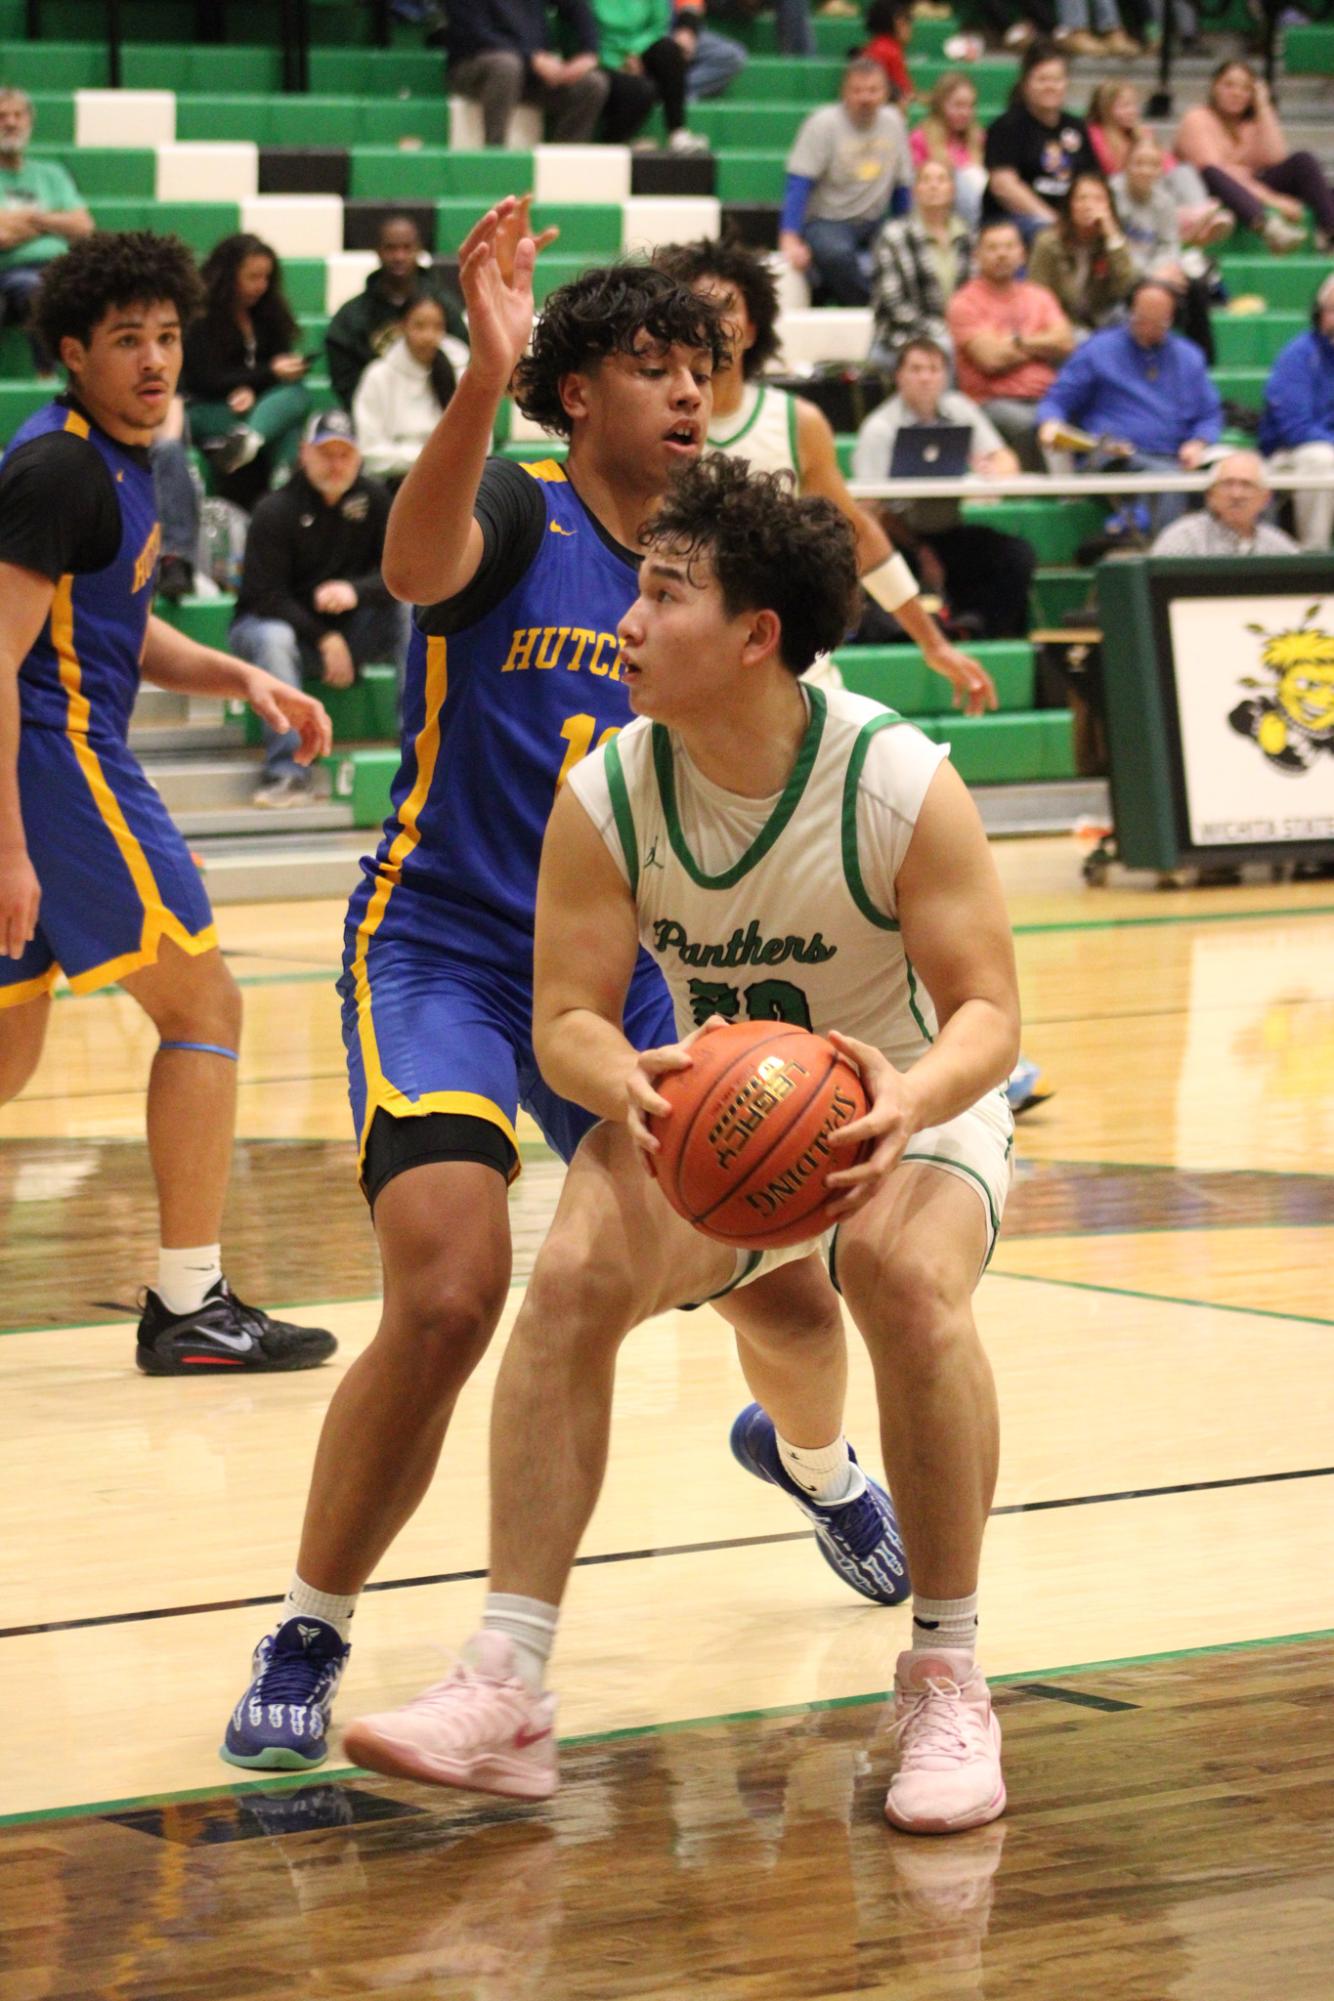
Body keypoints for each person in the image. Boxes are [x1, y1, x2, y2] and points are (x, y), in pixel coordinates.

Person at [341, 453, 1020, 1841]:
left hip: (909, 1096)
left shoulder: (892, 777)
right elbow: (567, 1018)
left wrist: (907, 1095)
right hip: (716, 1106)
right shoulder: (608, 791)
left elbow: (991, 1016)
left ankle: (946, 1670)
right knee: (575, 1271)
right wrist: (628, 1082)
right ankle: (508, 1684)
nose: (624, 627)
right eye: (633, 593)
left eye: (662, 597)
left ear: (757, 635)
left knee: (896, 1281)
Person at [216, 200, 744, 1773]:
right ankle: (312, 1623)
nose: (689, 392)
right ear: (576, 392)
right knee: (450, 1297)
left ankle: (818, 1456)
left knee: (782, 1265)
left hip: (619, 970)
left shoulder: (706, 558)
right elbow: (408, 556)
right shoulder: (514, 506)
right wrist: (476, 376)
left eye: (701, 366)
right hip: (443, 944)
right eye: (653, 367)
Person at [0, 230, 335, 1373]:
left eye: (168, 336)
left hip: (47, 760)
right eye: (127, 340)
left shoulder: (114, 459)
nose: (153, 359)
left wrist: (239, 671)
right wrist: (11, 850)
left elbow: (104, 629)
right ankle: (193, 1301)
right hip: (54, 765)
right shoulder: (58, 470)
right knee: (206, 1006)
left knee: (5, 1054)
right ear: (71, 351)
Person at [656, 233, 998, 710]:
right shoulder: (656, 421)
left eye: (727, 306)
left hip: (786, 657)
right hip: (686, 654)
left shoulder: (797, 423)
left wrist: (932, 641)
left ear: (753, 328)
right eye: (699, 307)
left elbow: (856, 532)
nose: (714, 321)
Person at [229, 411, 409, 808]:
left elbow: (400, 575)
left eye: (345, 454)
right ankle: (288, 773)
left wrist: (355, 591)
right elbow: (265, 596)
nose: (336, 464)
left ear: (359, 458)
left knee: (413, 607)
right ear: (303, 453)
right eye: (326, 453)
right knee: (273, 636)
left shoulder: (376, 501)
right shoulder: (275, 510)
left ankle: (418, 751)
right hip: (275, 634)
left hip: (352, 631)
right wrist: (325, 639)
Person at [853, 338, 1034, 637]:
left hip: (949, 534)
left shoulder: (960, 408)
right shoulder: (879, 428)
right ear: (899, 376)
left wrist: (992, 468)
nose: (926, 377)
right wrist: (918, 548)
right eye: (916, 369)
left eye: (934, 369)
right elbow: (869, 509)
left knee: (1015, 556)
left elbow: (1007, 461)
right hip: (898, 538)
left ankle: (985, 635)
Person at [1037, 277, 1222, 531]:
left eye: (1158, 323)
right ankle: (1155, 553)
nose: (1147, 329)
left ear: (1173, 318)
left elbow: (1209, 414)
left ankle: (1127, 527)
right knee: (1167, 481)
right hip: (1113, 458)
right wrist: (1050, 423)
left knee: (1241, 477)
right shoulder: (1097, 350)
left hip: (1172, 458)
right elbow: (1057, 400)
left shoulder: (1189, 357)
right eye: (1141, 319)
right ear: (1129, 312)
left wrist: (1198, 442)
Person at [181, 232, 310, 510]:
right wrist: (267, 376)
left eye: (266, 277)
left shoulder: (268, 314)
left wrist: (253, 388)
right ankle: (282, 500)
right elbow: (205, 379)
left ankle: (249, 442)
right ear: (228, 275)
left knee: (296, 395)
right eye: (252, 277)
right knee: (289, 420)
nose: (260, 286)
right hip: (208, 409)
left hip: (253, 409)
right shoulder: (200, 317)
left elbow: (270, 371)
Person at [780, 57, 913, 306]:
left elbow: (902, 185)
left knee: (910, 250)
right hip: (827, 221)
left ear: (885, 93)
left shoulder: (894, 123)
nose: (866, 97)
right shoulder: (822, 124)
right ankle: (876, 308)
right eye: (857, 90)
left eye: (873, 90)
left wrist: (905, 229)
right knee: (836, 254)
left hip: (874, 221)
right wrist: (790, 237)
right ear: (844, 93)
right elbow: (799, 181)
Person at [947, 217, 1076, 469]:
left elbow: (1065, 342)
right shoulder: (964, 302)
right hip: (993, 400)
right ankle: (1046, 496)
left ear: (1022, 254)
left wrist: (1016, 342)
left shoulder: (1039, 296)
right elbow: (991, 359)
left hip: (1048, 395)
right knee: (1033, 424)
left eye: (1008, 247)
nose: (1001, 254)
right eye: (993, 248)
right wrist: (1041, 347)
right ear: (977, 255)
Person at [1174, 62, 1334, 257]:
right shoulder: (1197, 118)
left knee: (1303, 161)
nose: (1237, 93)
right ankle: (1270, 229)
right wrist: (1275, 201)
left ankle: (1331, 235)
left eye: (1245, 88)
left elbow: (1276, 158)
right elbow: (1216, 171)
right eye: (1229, 85)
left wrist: (1263, 105)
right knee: (1213, 173)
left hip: (1251, 186)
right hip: (1210, 189)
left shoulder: (1250, 123)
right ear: (1214, 87)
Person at [324, 215, 468, 411]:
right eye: (391, 248)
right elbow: (345, 382)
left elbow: (465, 362)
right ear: (378, 251)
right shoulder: (351, 317)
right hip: (376, 417)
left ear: (418, 250)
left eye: (407, 248)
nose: (399, 256)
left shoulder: (444, 307)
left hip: (437, 414)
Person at [0, 86, 93, 373]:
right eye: (2, 116)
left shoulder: (51, 174)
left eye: (18, 115)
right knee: (36, 289)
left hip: (62, 267)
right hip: (11, 272)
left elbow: (83, 226)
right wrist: (54, 222)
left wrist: (31, 219)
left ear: (29, 121)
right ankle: (46, 378)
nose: (11, 122)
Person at [443, 0, 609, 149]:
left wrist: (589, 51)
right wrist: (530, 58)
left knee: (593, 84)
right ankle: (494, 153)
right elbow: (474, 32)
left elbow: (576, 6)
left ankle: (563, 159)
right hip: (474, 64)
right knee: (506, 66)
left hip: (529, 69)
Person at [1111, 134, 1214, 361]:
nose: (1146, 170)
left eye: (1153, 164)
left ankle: (1203, 363)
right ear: (1126, 164)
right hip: (1121, 274)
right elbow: (1113, 247)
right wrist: (1152, 275)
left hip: (1156, 272)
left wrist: (1161, 272)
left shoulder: (1165, 201)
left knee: (1194, 288)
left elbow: (1170, 245)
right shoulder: (1112, 195)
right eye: (1139, 163)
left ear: (1161, 169)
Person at [1087, 79, 1226, 246]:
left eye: (1133, 105)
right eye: (1124, 106)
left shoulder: (1141, 132)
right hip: (1122, 190)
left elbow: (1165, 163)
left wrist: (1144, 142)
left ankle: (1200, 214)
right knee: (1145, 179)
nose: (1131, 111)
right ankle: (1189, 220)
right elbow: (1113, 169)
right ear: (1106, 109)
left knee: (1183, 171)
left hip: (1150, 185)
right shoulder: (1095, 134)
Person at [982, 43, 1098, 242]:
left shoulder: (1076, 127)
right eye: (1042, 79)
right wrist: (1053, 220)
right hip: (1019, 221)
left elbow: (1091, 180)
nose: (1050, 86)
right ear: (1026, 83)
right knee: (1045, 236)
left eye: (1057, 80)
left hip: (1069, 220)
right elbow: (1004, 186)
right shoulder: (1007, 126)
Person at [351, 296, 464, 488]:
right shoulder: (378, 376)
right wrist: (428, 458)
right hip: (391, 484)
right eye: (419, 326)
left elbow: (480, 445)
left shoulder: (461, 374)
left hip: (450, 484)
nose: (429, 336)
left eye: (437, 327)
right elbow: (370, 452)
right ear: (402, 327)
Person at [1258, 273, 1334, 552]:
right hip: (1289, 455)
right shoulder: (1299, 355)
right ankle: (1316, 553)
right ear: (1319, 314)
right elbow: (1296, 429)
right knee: (1321, 459)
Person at [870, 158, 972, 363]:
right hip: (901, 336)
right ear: (915, 191)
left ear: (953, 190)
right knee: (944, 348)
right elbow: (893, 302)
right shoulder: (893, 235)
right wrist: (940, 331)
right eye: (926, 180)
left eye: (941, 180)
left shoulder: (968, 236)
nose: (934, 186)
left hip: (958, 332)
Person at [1026, 172, 1137, 335]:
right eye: (1081, 199)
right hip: (1061, 322)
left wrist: (1112, 235)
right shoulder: (1048, 243)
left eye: (1097, 199)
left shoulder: (1112, 242)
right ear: (1070, 205)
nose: (1088, 205)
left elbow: (1124, 286)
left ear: (1109, 206)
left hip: (1100, 319)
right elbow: (1037, 294)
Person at [592, 0, 710, 151]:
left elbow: (659, 25)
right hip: (603, 57)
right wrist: (617, 62)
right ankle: (614, 142)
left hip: (639, 49)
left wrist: (636, 52)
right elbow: (585, 32)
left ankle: (677, 133)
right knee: (642, 90)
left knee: (669, 51)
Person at [1151, 450, 1298, 556]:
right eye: (1227, 484)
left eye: (1247, 485)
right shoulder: (1182, 539)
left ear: (1266, 498)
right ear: (1210, 494)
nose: (1236, 494)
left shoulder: (1281, 547)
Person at [910, 72, 987, 231]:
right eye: (958, 106)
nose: (965, 112)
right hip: (938, 215)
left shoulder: (979, 137)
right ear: (941, 105)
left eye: (970, 106)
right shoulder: (920, 138)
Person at [672, 3, 748, 104]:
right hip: (652, 31)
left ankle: (674, 90)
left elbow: (690, 6)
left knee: (732, 55)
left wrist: (687, 29)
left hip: (678, 27)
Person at [861, 0, 916, 107]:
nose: (911, 29)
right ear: (899, 22)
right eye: (908, 22)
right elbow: (906, 94)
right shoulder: (890, 52)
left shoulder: (873, 46)